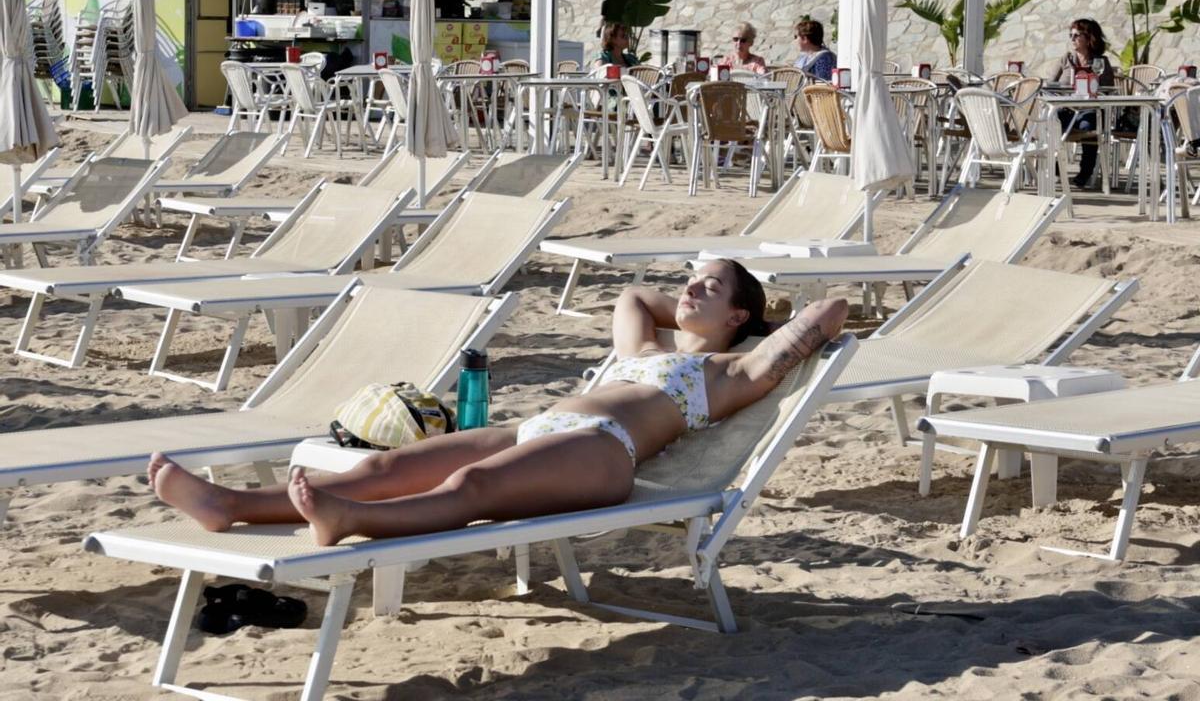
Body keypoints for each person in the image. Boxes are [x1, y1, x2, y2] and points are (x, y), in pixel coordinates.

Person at [147, 260, 849, 546]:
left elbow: (829, 312)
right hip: (546, 428)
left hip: (606, 453)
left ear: (737, 318)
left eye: (708, 289)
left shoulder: (732, 372)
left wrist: (747, 321)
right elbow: (633, 297)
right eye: (689, 281)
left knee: (471, 486)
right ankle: (228, 504)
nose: (688, 291)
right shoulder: (644, 352)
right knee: (385, 467)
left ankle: (346, 521)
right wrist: (695, 306)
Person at [1050, 18, 1114, 189]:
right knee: (1051, 121)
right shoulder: (1065, 59)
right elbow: (1050, 84)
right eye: (1070, 35)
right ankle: (1054, 168)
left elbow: (1108, 89)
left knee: (1089, 125)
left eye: (1076, 35)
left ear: (1088, 37)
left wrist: (1094, 87)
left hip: (1089, 109)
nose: (1072, 38)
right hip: (1066, 109)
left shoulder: (1100, 62)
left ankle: (1085, 173)